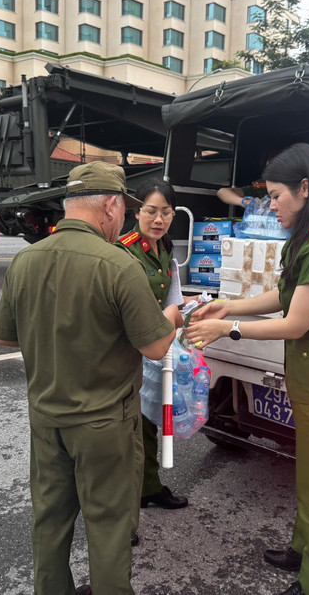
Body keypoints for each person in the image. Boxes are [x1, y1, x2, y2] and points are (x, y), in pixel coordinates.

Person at [185, 143, 309, 595]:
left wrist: (229, 328)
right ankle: (301, 550)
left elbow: (295, 322)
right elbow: (284, 296)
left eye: (276, 196)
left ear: (304, 189)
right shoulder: (308, 239)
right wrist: (232, 304)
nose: (270, 206)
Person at [0, 161, 183, 595]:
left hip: (46, 420)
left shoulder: (25, 259)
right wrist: (171, 315)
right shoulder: (118, 265)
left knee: (50, 523)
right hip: (103, 424)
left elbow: (7, 338)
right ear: (111, 206)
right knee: (109, 528)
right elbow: (155, 346)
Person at [118, 180, 190, 524]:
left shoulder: (165, 249)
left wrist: (196, 305)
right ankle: (125, 512)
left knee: (149, 421)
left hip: (157, 346)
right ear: (136, 212)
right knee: (129, 429)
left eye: (166, 212)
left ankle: (149, 487)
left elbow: (172, 298)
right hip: (129, 349)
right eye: (151, 211)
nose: (158, 219)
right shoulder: (124, 250)